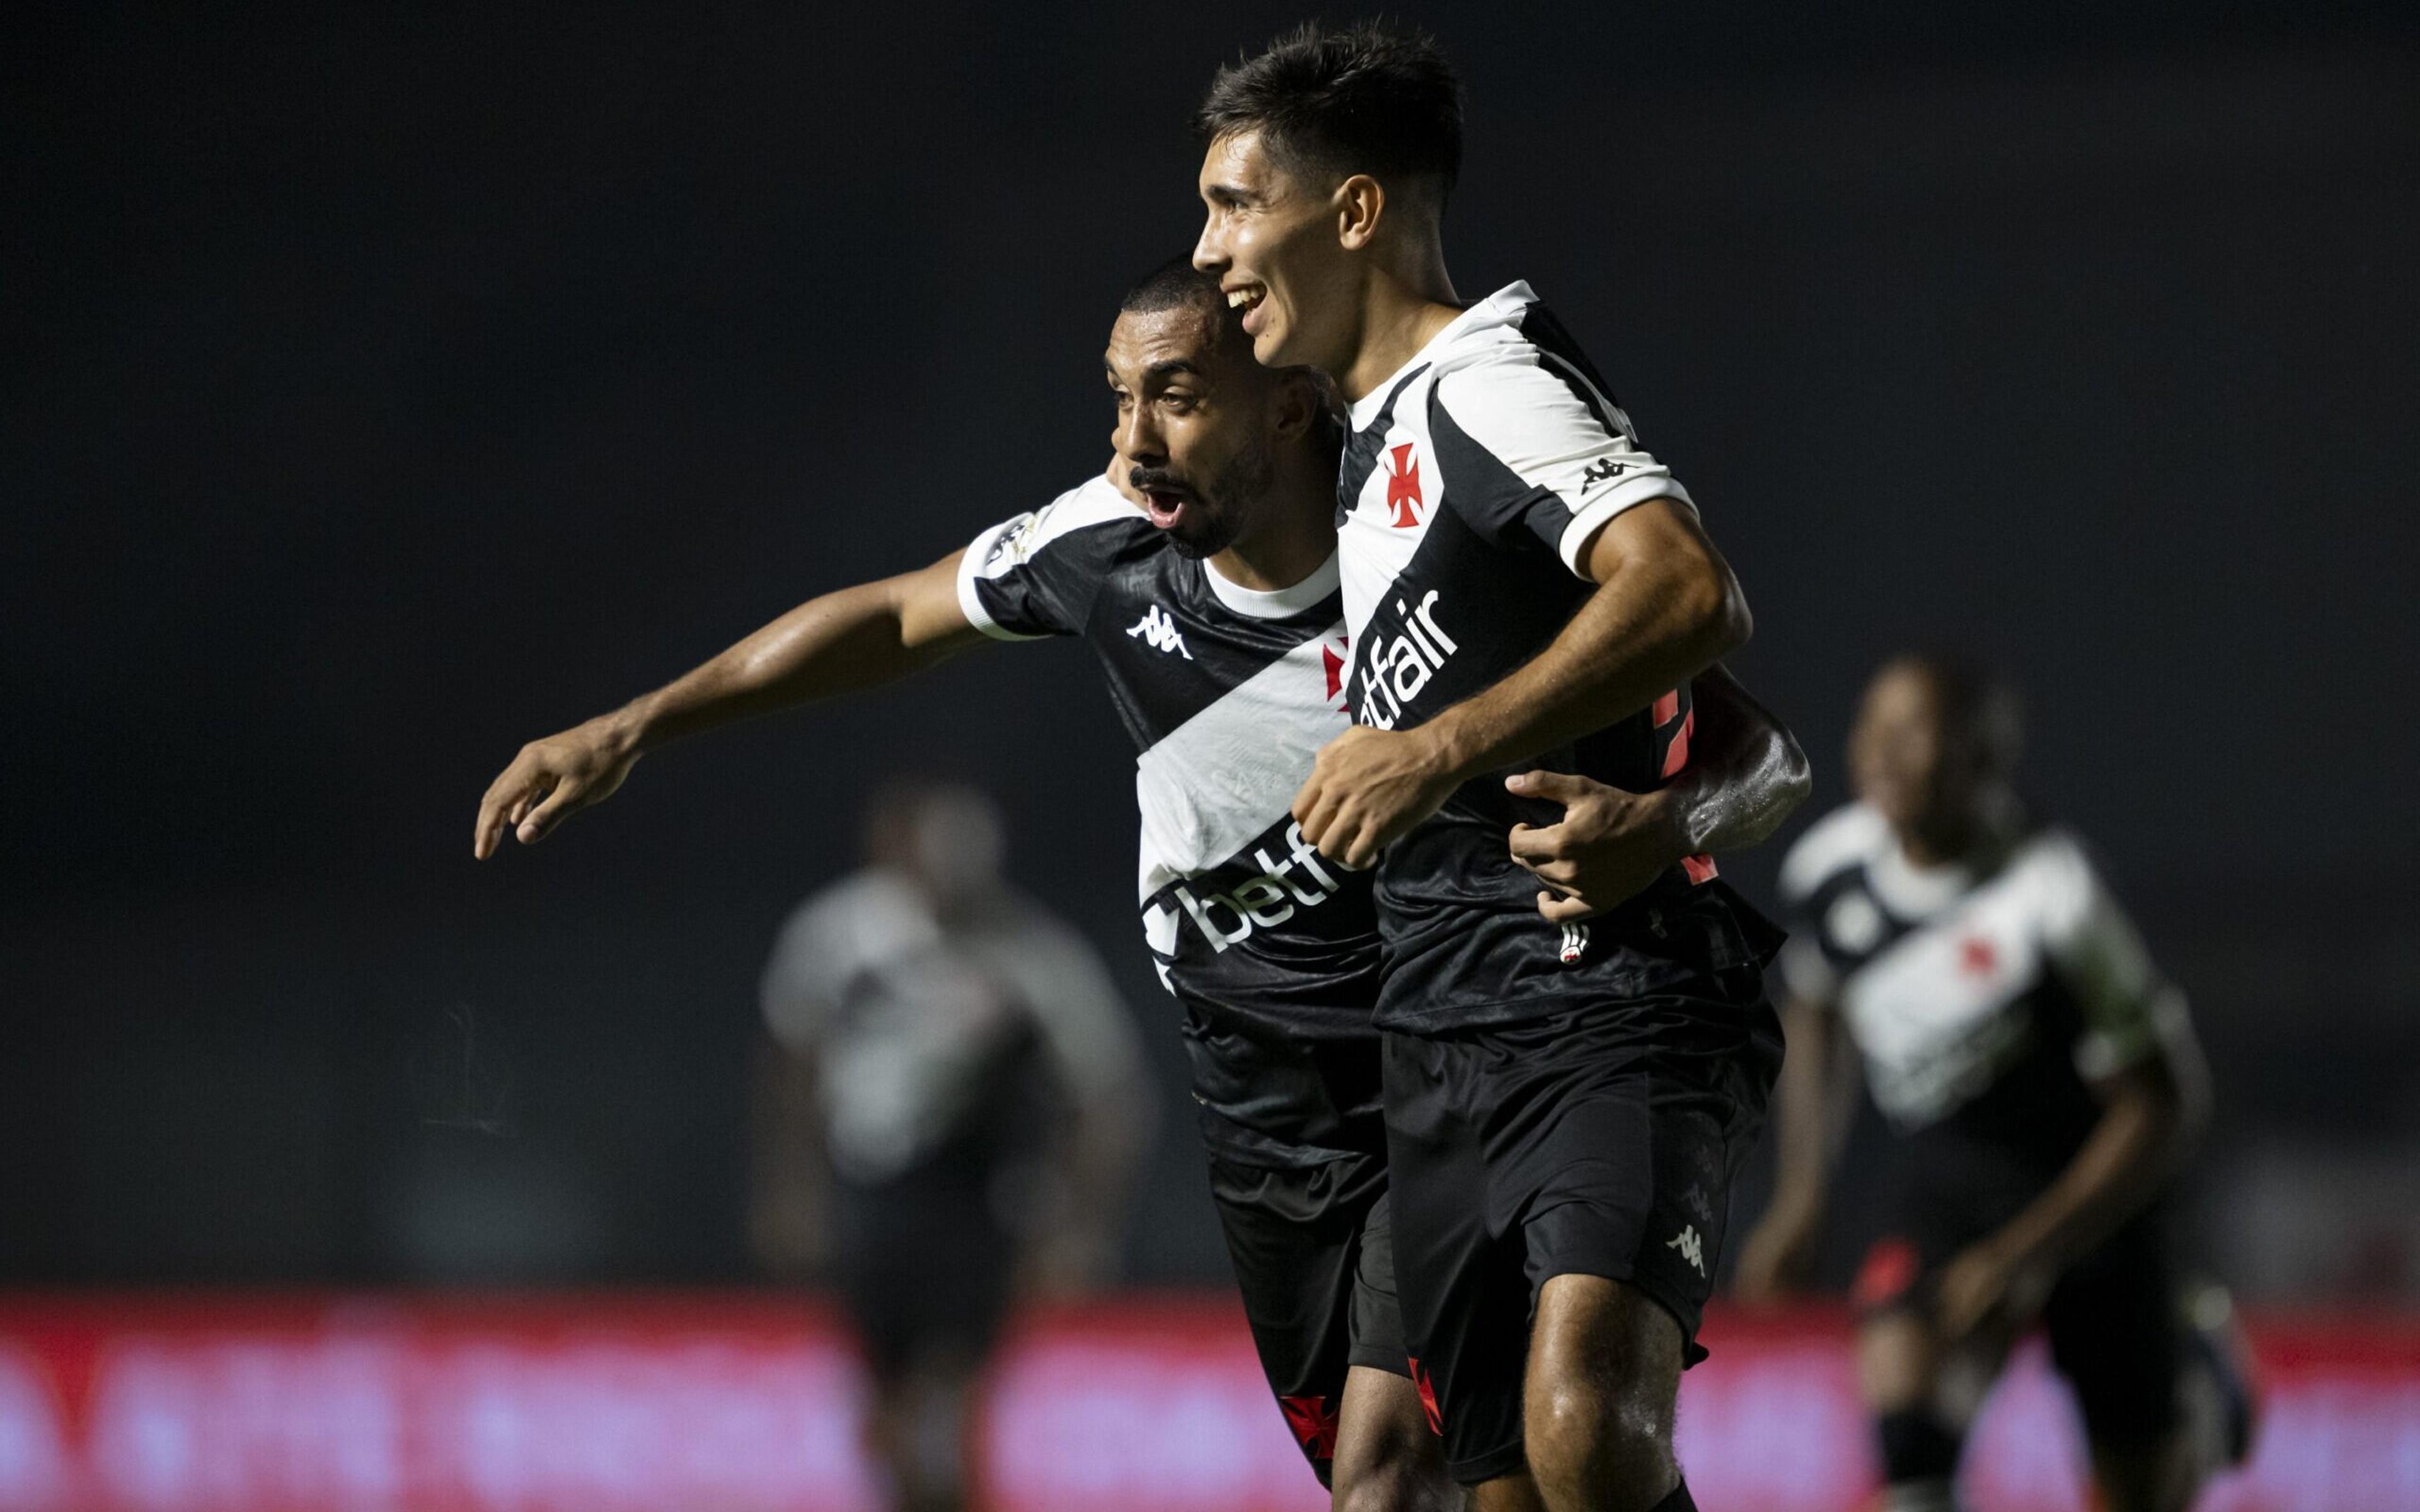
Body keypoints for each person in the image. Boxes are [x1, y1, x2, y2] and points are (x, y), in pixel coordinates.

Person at [473, 263, 1807, 1509]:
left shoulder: (1425, 531)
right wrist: (640, 722)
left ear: (1290, 409)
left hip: (1438, 1050)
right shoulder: (1109, 543)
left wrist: (1665, 817)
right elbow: (895, 615)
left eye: (1173, 398)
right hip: (1261, 1097)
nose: (1130, 444)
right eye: (1119, 399)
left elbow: (1758, 749)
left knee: (1412, 1468)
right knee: (1403, 1469)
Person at [1191, 23, 1787, 1512]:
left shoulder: (1486, 382)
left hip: (1601, 1003)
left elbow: (1689, 593)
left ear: (1350, 211)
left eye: (1231, 205)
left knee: (1586, 1421)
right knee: (1451, 1484)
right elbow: (1753, 744)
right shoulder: (1362, 445)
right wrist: (1674, 809)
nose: (1208, 252)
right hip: (1438, 1034)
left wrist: (1438, 749)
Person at [1733, 655, 2254, 1512]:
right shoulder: (1830, 872)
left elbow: (2166, 1103)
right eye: (1872, 727)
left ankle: (2197, 1362)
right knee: (1911, 1448)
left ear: (1982, 760)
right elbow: (1817, 1014)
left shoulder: (2057, 897)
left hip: (2093, 1203)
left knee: (2142, 1490)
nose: (1882, 753)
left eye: (1914, 731)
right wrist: (1802, 1195)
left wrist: (2028, 1255)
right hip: (1952, 1184)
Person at [751, 781, 1148, 1512]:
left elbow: (1107, 1095)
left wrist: (1081, 1225)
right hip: (872, 1193)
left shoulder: (1029, 953)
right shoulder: (838, 937)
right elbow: (792, 1067)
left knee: (954, 1403)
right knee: (888, 1411)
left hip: (978, 1197)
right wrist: (790, 1192)